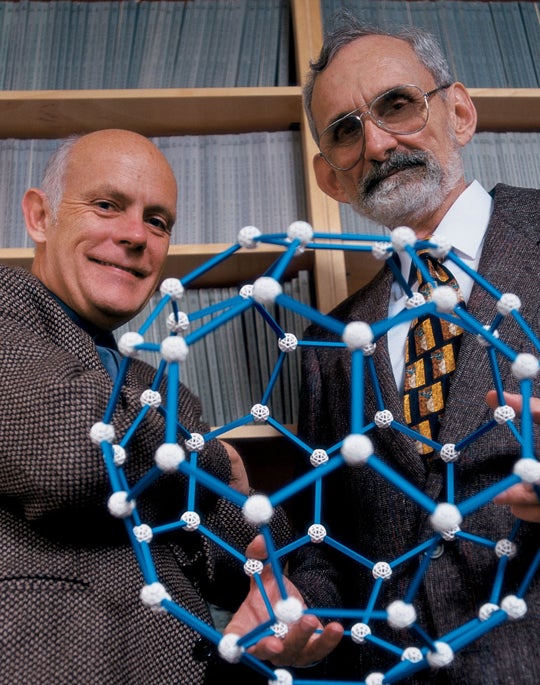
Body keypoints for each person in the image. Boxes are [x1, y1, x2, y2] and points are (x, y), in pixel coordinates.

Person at [227, 16, 540, 684]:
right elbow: (329, 542)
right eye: (345, 129)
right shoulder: (326, 342)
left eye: (396, 104)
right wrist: (297, 606)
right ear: (331, 176)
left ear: (458, 111)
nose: (376, 142)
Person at [0, 129, 291, 684]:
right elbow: (69, 457)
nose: (136, 236)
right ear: (40, 216)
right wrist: (209, 460)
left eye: (158, 221)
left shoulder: (162, 386)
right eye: (108, 206)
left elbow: (249, 543)